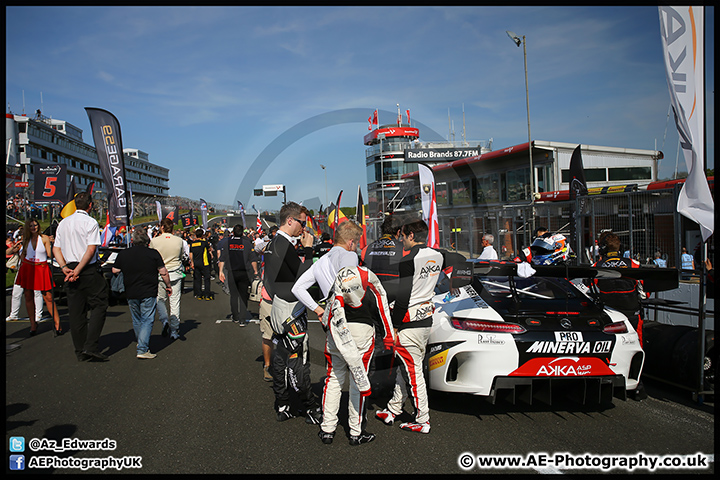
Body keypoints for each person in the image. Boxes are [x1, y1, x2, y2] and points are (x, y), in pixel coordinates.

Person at [375, 219, 445, 434]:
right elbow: (460, 262)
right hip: (425, 319)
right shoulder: (439, 255)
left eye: (403, 236)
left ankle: (423, 419)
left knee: (413, 371)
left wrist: (394, 325)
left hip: (408, 322)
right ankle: (394, 408)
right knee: (406, 366)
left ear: (411, 236)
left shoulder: (408, 260)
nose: (401, 240)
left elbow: (403, 297)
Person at [263, 201, 321, 424]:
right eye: (302, 223)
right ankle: (309, 407)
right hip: (291, 308)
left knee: (281, 356)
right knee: (299, 359)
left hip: (279, 303)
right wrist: (308, 250)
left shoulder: (273, 242)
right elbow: (303, 279)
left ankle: (283, 403)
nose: (304, 228)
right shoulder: (284, 244)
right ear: (290, 220)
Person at [52, 192, 109, 362]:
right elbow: (90, 250)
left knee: (76, 311)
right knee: (100, 304)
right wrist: (78, 270)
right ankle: (91, 345)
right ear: (90, 206)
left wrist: (65, 268)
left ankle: (79, 349)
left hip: (69, 268)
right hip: (86, 269)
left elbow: (56, 249)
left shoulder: (64, 223)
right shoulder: (90, 222)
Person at [591, 232, 647, 400]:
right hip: (632, 312)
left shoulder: (597, 265)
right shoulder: (634, 264)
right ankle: (637, 386)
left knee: (605, 345)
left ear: (602, 248)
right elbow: (645, 291)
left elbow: (589, 290)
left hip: (609, 315)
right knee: (637, 346)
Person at [113, 228, 171, 359]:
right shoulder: (153, 254)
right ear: (147, 240)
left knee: (137, 319)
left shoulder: (124, 254)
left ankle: (141, 342)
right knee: (147, 319)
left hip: (131, 290)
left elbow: (115, 270)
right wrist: (168, 285)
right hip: (148, 289)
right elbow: (163, 272)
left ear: (132, 240)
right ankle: (142, 348)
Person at [14, 219, 62, 336]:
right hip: (28, 267)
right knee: (28, 295)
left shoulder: (44, 238)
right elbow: (23, 254)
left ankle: (57, 322)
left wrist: (53, 244)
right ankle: (33, 323)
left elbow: (50, 254)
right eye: (30, 226)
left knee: (48, 297)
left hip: (41, 268)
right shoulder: (25, 239)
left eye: (35, 225)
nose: (33, 227)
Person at [150, 218, 186, 340]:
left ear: (162, 227)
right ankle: (174, 330)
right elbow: (181, 255)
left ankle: (164, 319)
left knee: (160, 299)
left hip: (160, 273)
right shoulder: (179, 240)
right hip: (175, 272)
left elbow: (151, 256)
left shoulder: (155, 241)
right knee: (175, 301)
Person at [218, 224, 259, 326]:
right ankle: (242, 319)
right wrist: (255, 271)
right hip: (244, 272)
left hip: (232, 272)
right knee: (243, 295)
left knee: (234, 295)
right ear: (242, 233)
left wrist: (220, 271)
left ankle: (235, 316)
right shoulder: (247, 243)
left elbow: (222, 258)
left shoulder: (227, 243)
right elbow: (253, 259)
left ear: (233, 232)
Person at [360, 214, 404, 304]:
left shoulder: (366, 249)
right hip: (395, 298)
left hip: (373, 297)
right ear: (399, 232)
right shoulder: (404, 249)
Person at [189, 228, 214, 300]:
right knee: (207, 279)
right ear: (202, 235)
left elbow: (191, 254)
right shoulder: (204, 243)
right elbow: (209, 249)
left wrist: (192, 262)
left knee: (197, 279)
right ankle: (207, 294)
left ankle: (199, 294)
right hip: (204, 263)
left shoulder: (192, 244)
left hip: (196, 263)